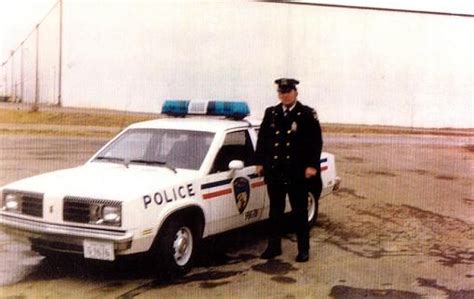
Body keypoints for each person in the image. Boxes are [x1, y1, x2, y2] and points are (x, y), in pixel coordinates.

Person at [255, 78, 323, 262]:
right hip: (275, 171)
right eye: (281, 92)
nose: (284, 95)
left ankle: (303, 249)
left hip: (297, 172)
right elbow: (262, 139)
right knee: (275, 211)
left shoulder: (307, 114)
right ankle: (274, 247)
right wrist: (260, 162)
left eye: (288, 92)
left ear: (295, 93)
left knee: (299, 212)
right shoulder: (271, 113)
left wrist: (311, 166)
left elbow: (315, 143)